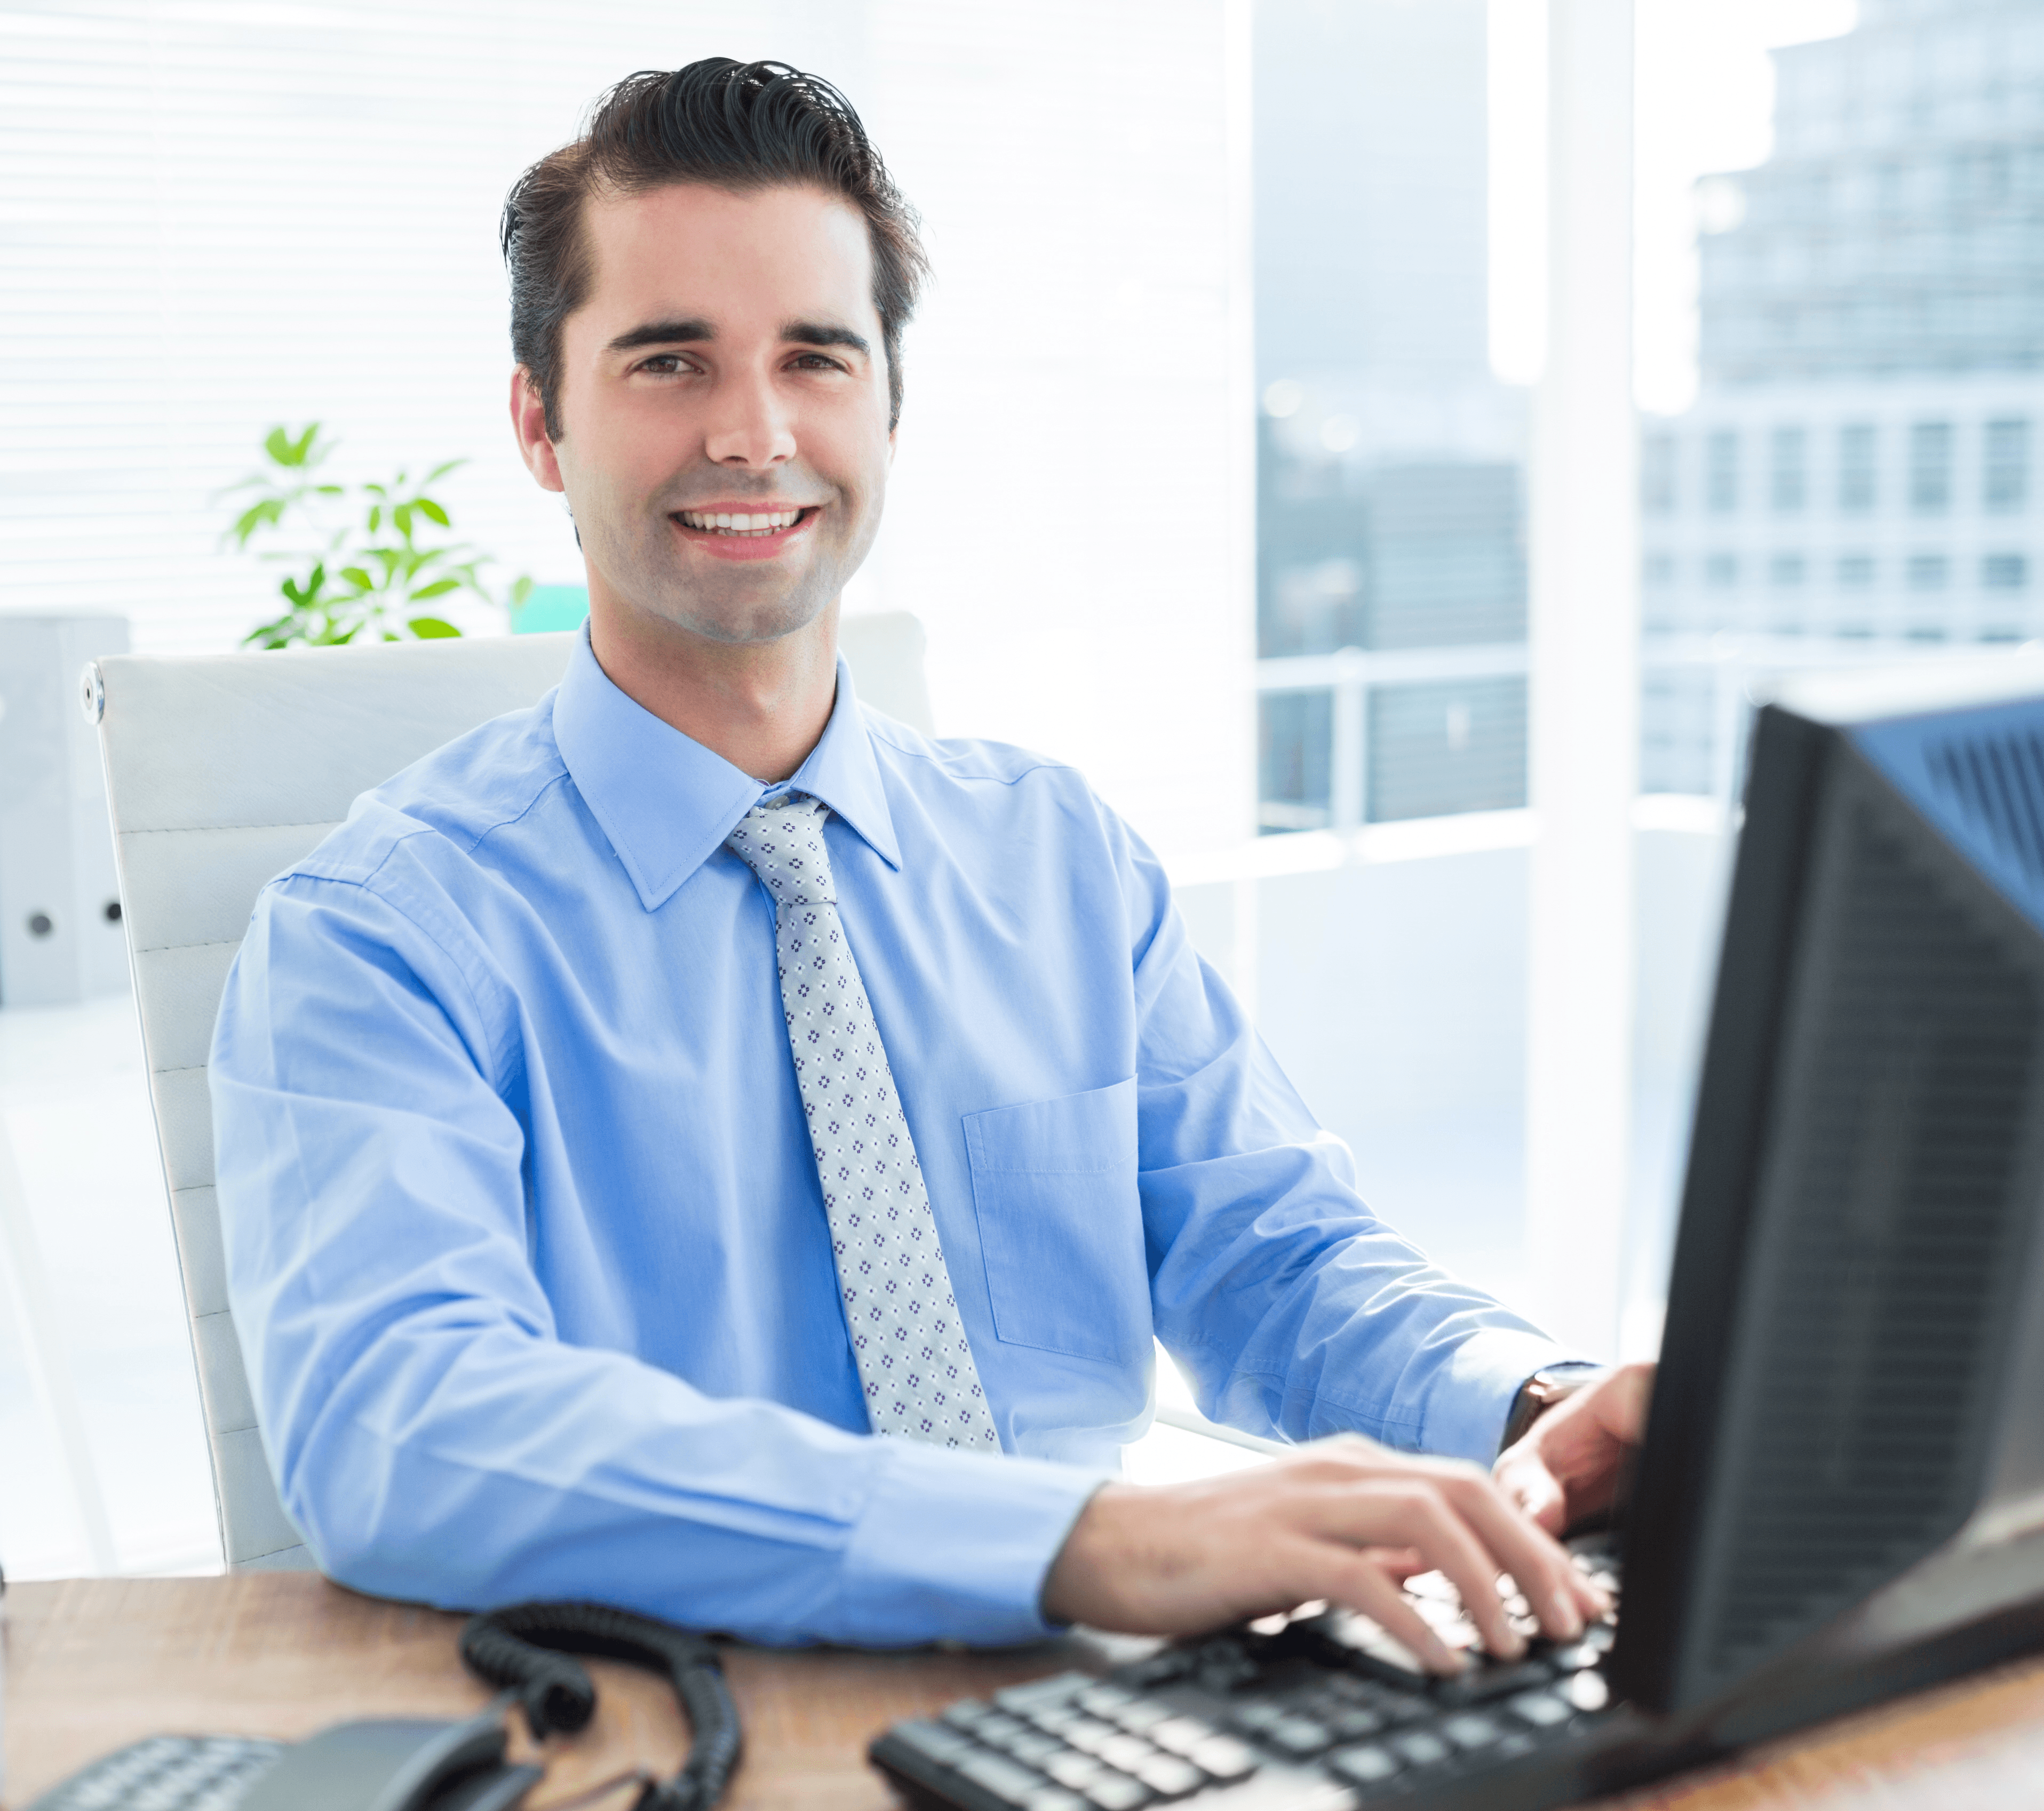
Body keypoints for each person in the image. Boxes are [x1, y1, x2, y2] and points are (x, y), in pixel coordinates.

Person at [209, 58, 1651, 1663]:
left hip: (1088, 1719)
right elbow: (400, 1425)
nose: (752, 434)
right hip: (682, 1726)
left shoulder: (1052, 860)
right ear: (541, 424)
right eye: (668, 360)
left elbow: (1275, 1259)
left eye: (814, 358)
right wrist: (1077, 1542)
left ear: (886, 405)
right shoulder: (380, 934)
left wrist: (1539, 1400)